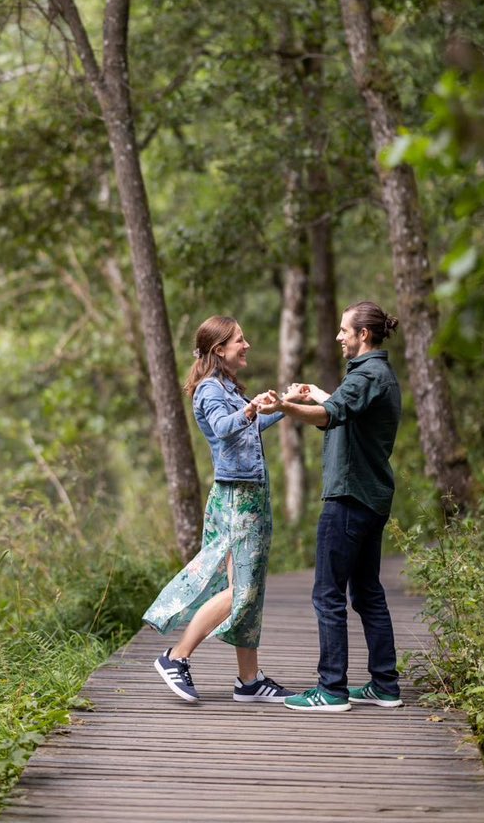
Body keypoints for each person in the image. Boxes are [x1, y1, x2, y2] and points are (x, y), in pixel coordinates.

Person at [256, 301, 403, 713]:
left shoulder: (366, 375)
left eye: (344, 330)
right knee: (368, 593)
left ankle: (331, 688)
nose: (339, 336)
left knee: (328, 594)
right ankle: (385, 685)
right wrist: (317, 393)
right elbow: (342, 407)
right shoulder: (378, 375)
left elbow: (329, 416)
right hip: (371, 498)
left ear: (363, 335)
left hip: (349, 500)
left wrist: (284, 407)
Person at [143, 316, 294, 704]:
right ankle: (176, 656)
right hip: (237, 499)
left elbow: (250, 427)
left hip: (250, 495)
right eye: (240, 340)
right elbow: (224, 427)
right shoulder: (210, 390)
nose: (246, 345)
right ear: (219, 349)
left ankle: (249, 680)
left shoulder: (227, 386)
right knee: (242, 590)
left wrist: (288, 403)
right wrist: (249, 410)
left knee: (248, 589)